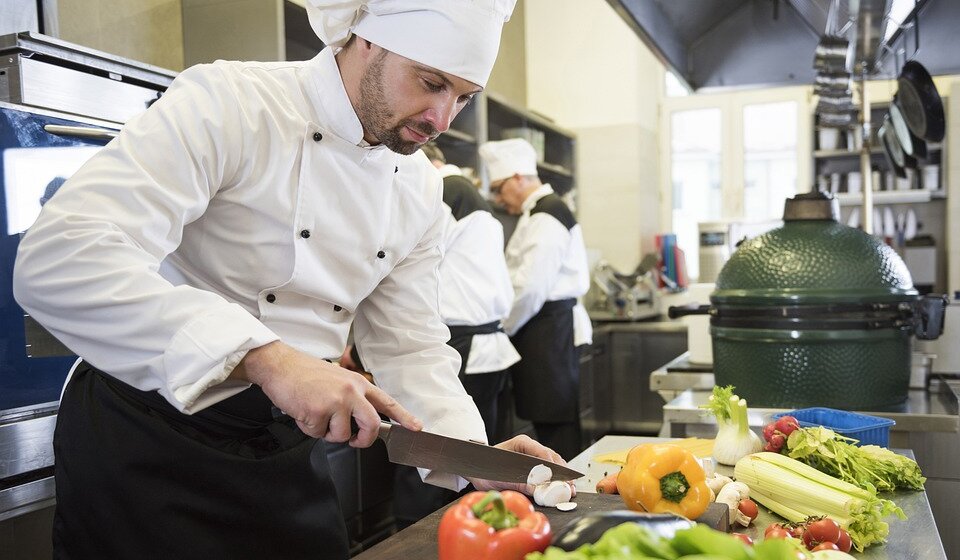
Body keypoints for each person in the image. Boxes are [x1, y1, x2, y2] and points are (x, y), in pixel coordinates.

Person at [12, 2, 569, 558]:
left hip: (283, 445)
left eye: (464, 98)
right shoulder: (231, 103)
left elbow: (410, 345)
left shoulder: (419, 189)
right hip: (146, 436)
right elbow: (60, 257)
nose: (442, 119)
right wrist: (268, 358)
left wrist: (471, 455)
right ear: (366, 40)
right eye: (430, 83)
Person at [389, 142, 521, 528]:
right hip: (489, 348)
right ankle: (472, 534)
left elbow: (398, 277)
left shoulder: (439, 190)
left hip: (456, 345)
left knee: (427, 457)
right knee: (472, 460)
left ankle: (422, 542)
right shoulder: (470, 194)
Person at [479, 137, 592, 461]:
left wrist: (501, 328)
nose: (499, 199)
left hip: (546, 327)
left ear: (518, 178)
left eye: (499, 189)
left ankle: (569, 496)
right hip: (544, 326)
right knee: (551, 418)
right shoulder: (538, 212)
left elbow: (530, 288)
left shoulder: (547, 214)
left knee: (554, 422)